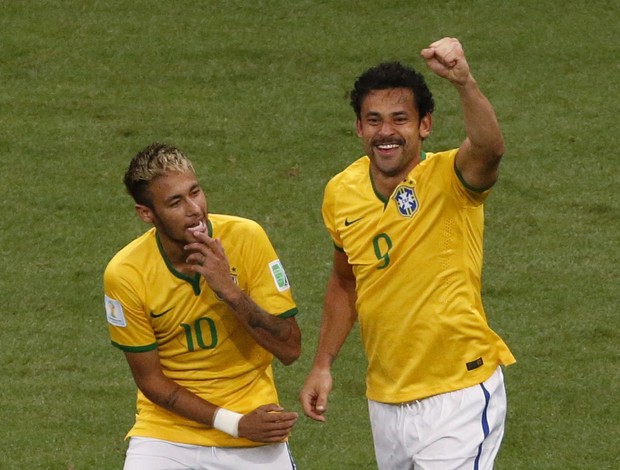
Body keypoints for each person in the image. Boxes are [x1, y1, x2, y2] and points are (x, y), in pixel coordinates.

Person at [299, 37, 516, 469]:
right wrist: (322, 364)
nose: (386, 132)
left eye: (400, 119)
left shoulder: (451, 179)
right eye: (374, 120)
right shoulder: (341, 193)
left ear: (425, 125)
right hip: (386, 400)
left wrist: (465, 83)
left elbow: (489, 149)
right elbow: (346, 281)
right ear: (359, 128)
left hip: (459, 393)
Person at [104, 142, 301, 469]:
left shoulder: (247, 238)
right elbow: (151, 381)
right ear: (146, 214)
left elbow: (290, 349)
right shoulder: (126, 274)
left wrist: (230, 292)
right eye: (175, 202)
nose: (194, 209)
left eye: (195, 192)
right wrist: (234, 424)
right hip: (166, 435)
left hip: (257, 429)